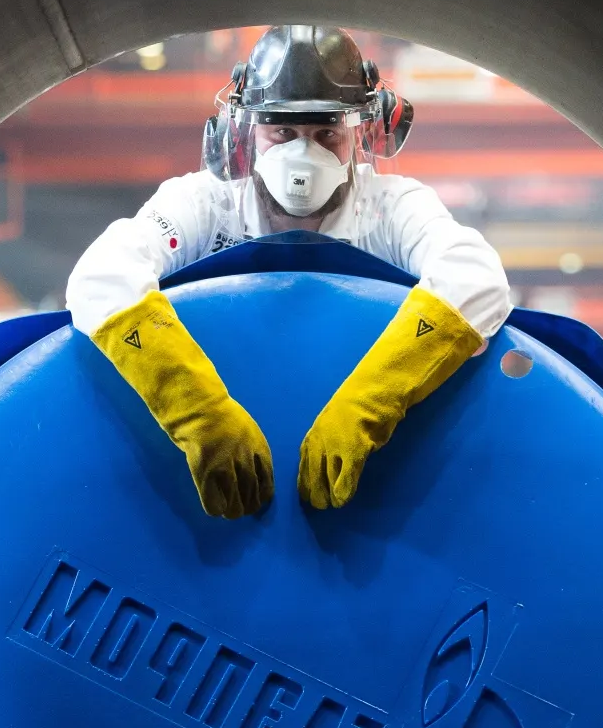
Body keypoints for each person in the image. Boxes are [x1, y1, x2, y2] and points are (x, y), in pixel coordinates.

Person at [65, 25, 511, 518]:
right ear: (243, 134)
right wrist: (199, 412)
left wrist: (367, 404)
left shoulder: (389, 207)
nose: (304, 154)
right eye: (282, 131)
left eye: (326, 133)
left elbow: (476, 276)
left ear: (362, 132)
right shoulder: (206, 203)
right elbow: (102, 275)